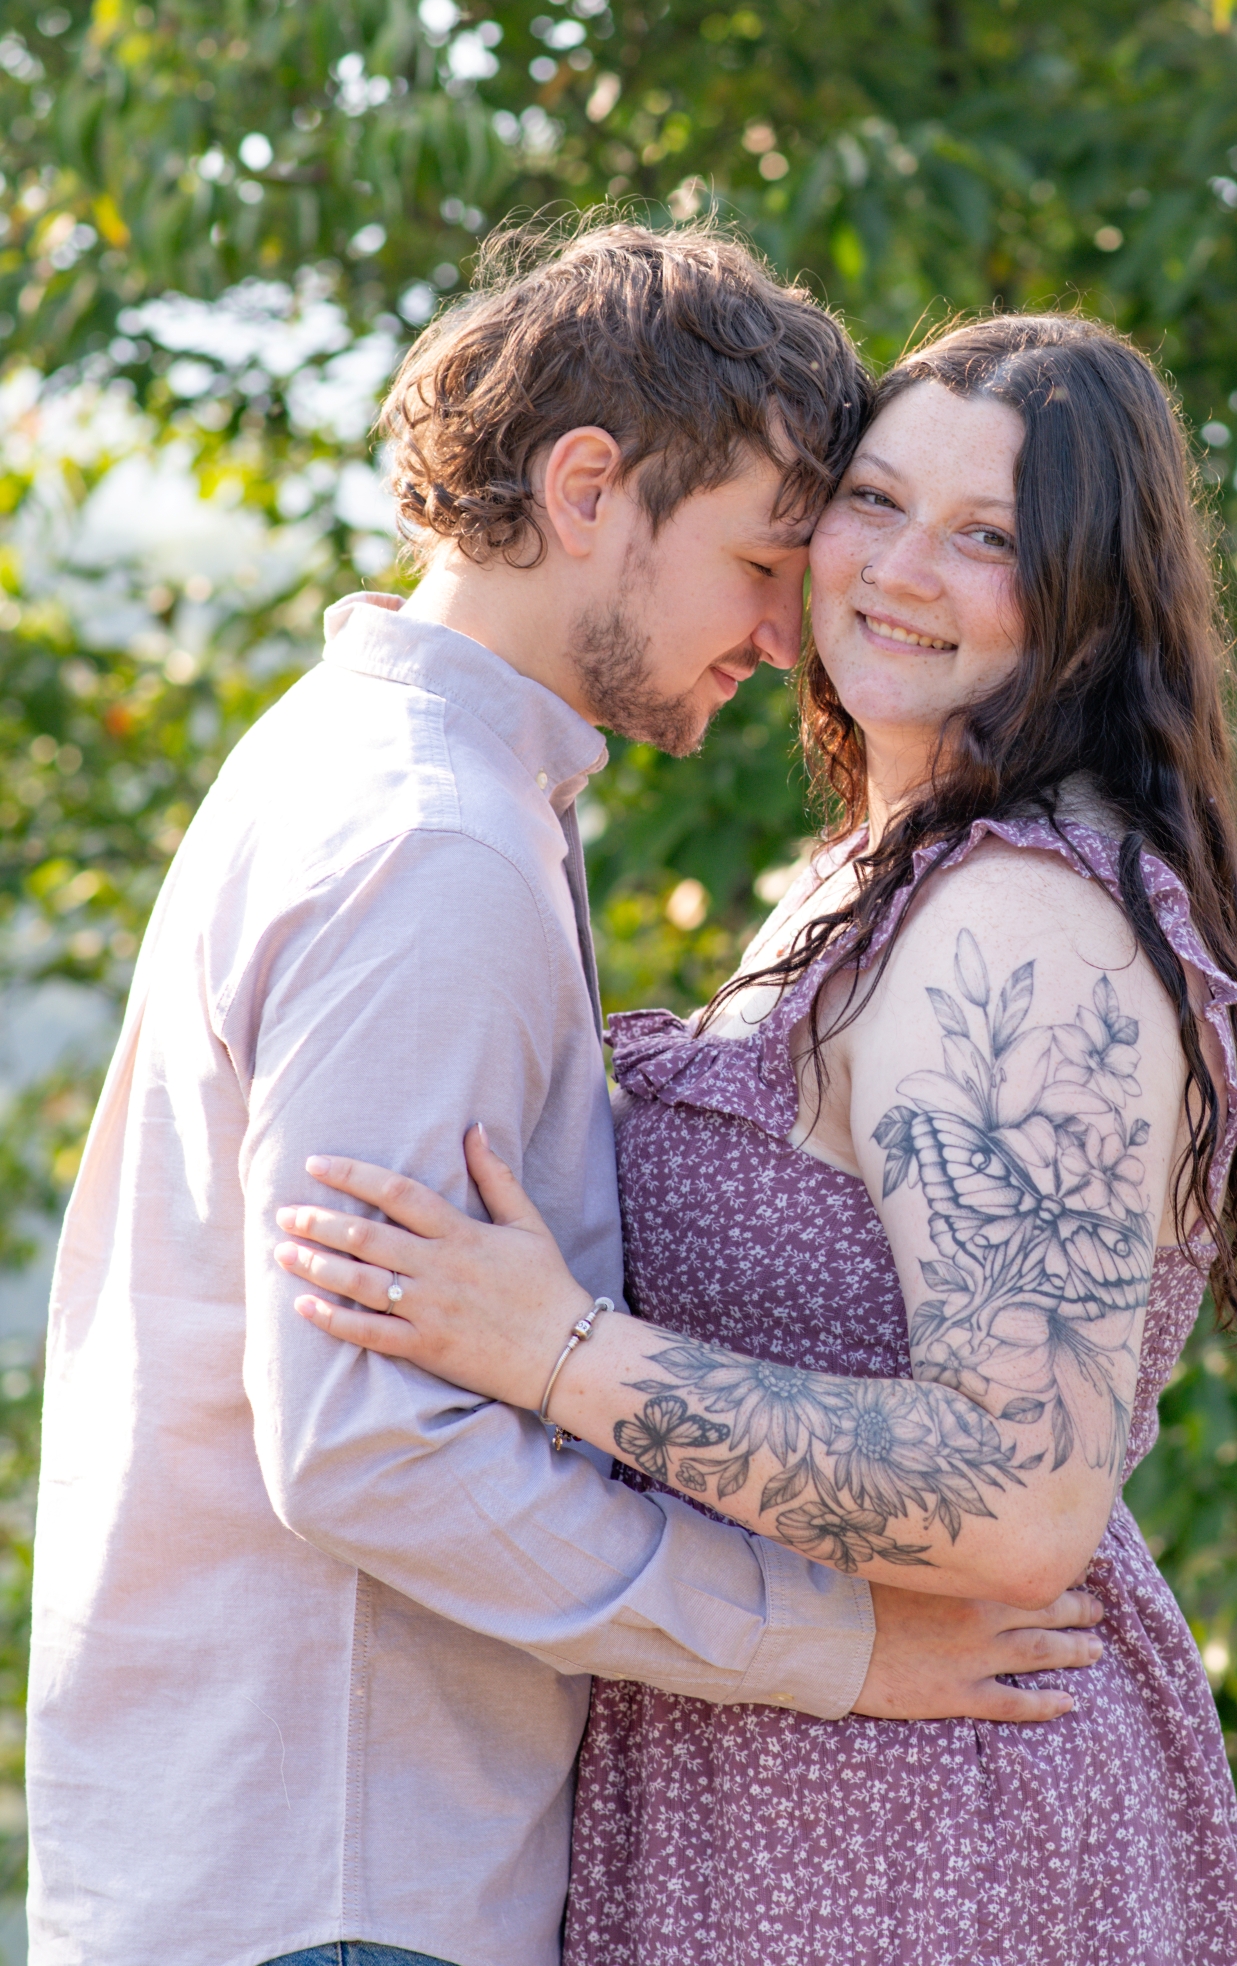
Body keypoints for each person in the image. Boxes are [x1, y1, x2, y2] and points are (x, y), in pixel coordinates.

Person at [27, 230, 1106, 1966]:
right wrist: (834, 1645)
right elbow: (369, 1447)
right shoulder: (432, 847)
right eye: (764, 557)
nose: (786, 628)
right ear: (590, 485)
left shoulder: (400, 772)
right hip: (347, 1875)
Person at [278, 311, 1237, 1966]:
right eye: (872, 501)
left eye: (987, 540)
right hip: (775, 1772)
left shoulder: (1020, 925)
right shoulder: (864, 873)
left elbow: (1023, 1493)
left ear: (1090, 602)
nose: (897, 569)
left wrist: (559, 1353)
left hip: (933, 1826)